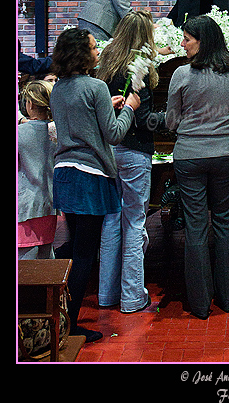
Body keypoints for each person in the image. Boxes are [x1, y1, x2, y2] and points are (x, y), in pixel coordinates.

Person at [50, 27, 141, 343]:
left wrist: (108, 105)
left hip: (63, 173)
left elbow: (81, 122)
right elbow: (114, 134)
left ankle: (58, 313)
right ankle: (69, 325)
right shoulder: (96, 87)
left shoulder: (59, 88)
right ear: (81, 53)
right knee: (85, 254)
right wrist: (129, 107)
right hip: (90, 176)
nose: (98, 50)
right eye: (92, 46)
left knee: (74, 248)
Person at [165, 15, 229, 319]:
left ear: (202, 42)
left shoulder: (181, 74)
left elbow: (170, 121)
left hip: (189, 155)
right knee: (226, 223)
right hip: (226, 154)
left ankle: (200, 303)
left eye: (187, 38)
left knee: (196, 226)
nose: (182, 43)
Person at [95, 11, 166, 313]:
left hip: (110, 153)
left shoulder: (106, 67)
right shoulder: (137, 72)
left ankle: (106, 294)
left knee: (112, 221)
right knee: (135, 222)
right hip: (135, 151)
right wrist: (170, 117)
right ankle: (132, 296)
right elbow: (144, 121)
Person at [18, 80, 57, 260]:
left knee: (25, 266)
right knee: (46, 258)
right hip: (49, 203)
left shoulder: (20, 133)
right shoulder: (57, 131)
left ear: (31, 103)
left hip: (24, 206)